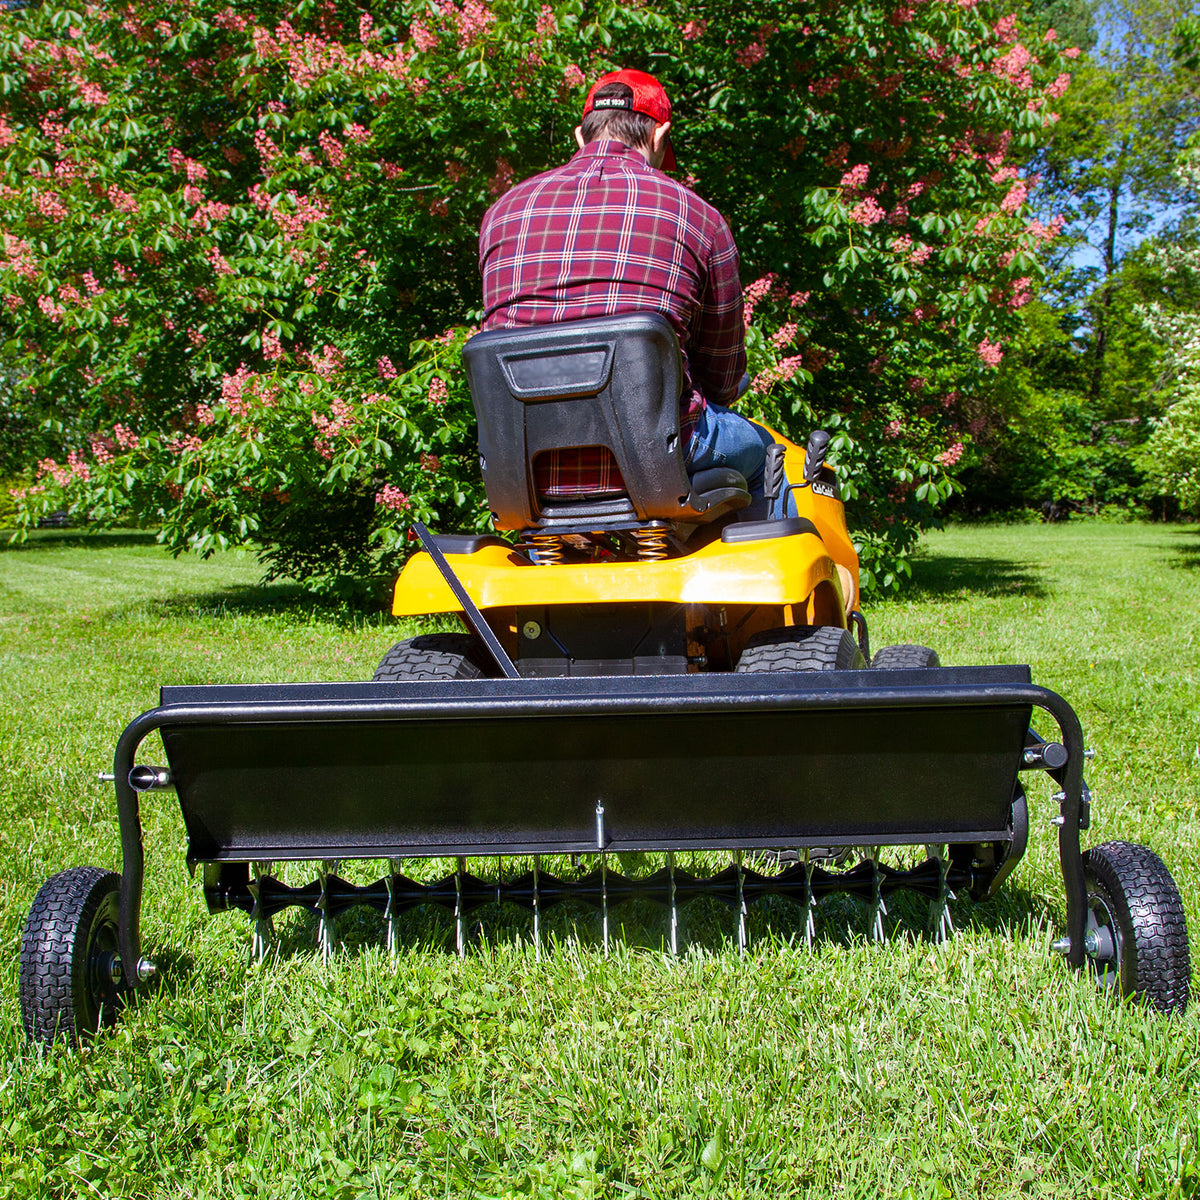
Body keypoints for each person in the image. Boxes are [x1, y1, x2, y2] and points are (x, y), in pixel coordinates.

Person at [477, 67, 776, 502]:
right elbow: (722, 377)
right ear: (659, 135)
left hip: (523, 470)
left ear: (582, 135)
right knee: (770, 456)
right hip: (658, 462)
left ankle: (549, 558)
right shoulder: (699, 218)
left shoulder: (500, 215)